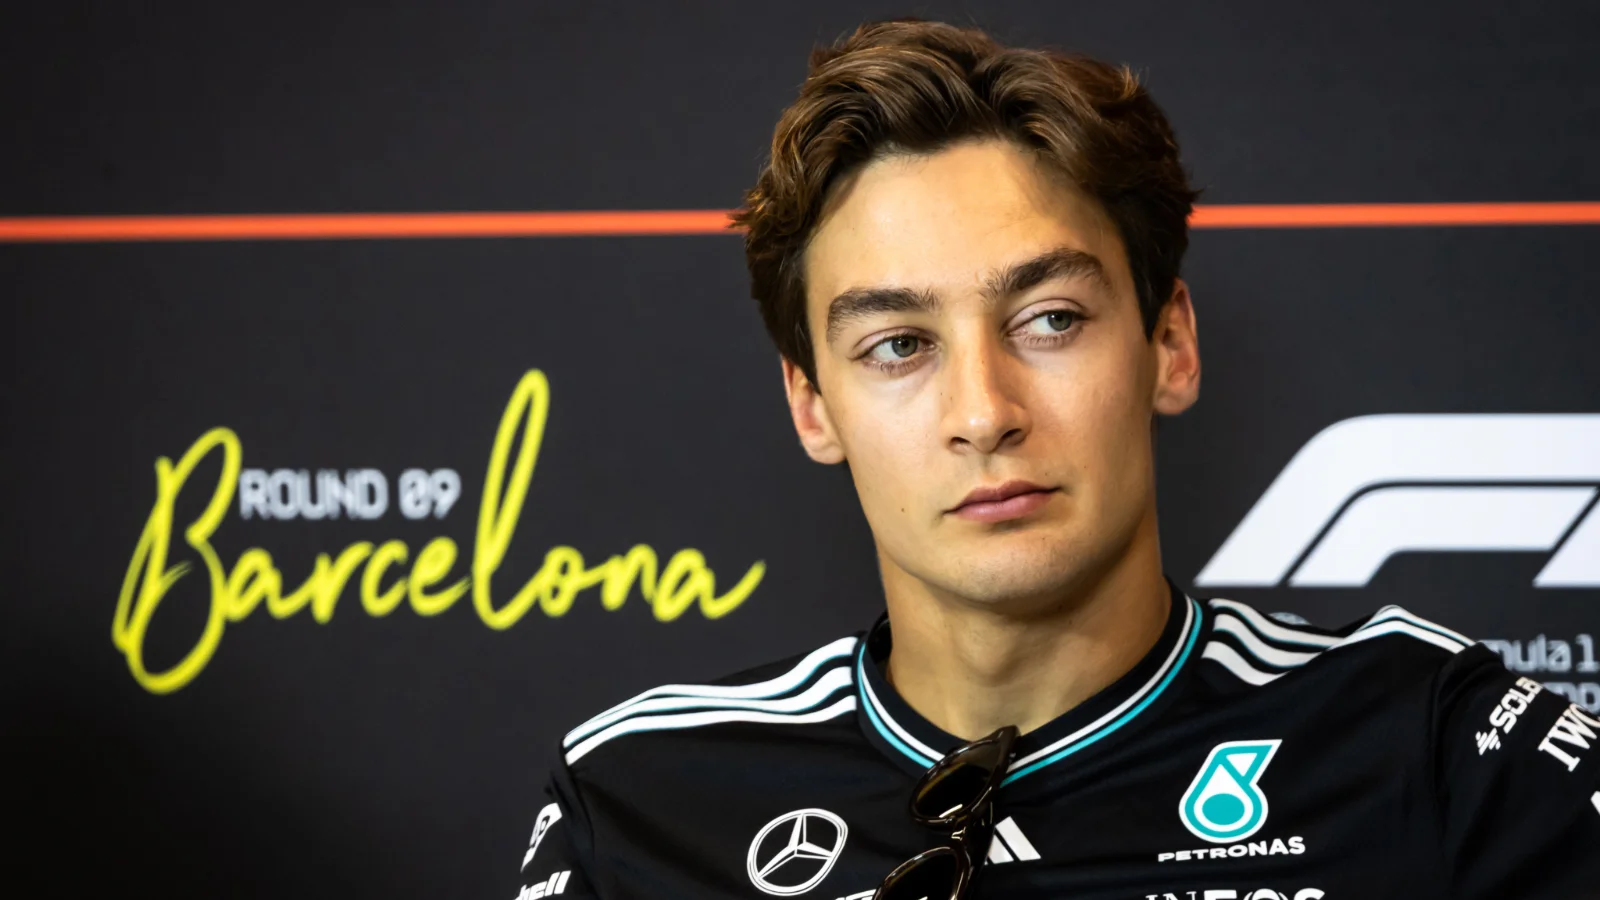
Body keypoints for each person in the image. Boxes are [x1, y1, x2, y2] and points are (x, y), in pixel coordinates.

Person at [509, 19, 1600, 900]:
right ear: (812, 404)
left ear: (1169, 343)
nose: (984, 413)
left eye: (1049, 321)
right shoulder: (638, 804)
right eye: (898, 346)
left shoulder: (1437, 746)